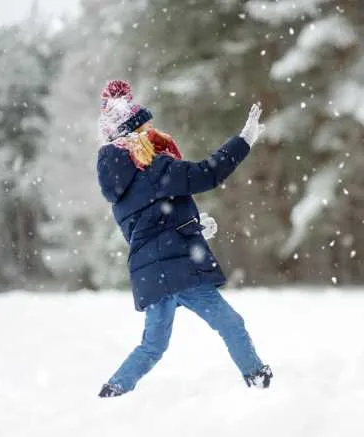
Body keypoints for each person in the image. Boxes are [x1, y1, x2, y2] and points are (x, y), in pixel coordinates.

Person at [95, 79, 272, 397]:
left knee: (152, 346)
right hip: (180, 272)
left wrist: (193, 226)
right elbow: (208, 173)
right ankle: (257, 377)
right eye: (146, 125)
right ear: (135, 134)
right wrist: (244, 140)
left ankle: (113, 390)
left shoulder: (119, 186)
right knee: (231, 323)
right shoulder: (152, 168)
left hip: (153, 274)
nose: (152, 129)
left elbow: (144, 229)